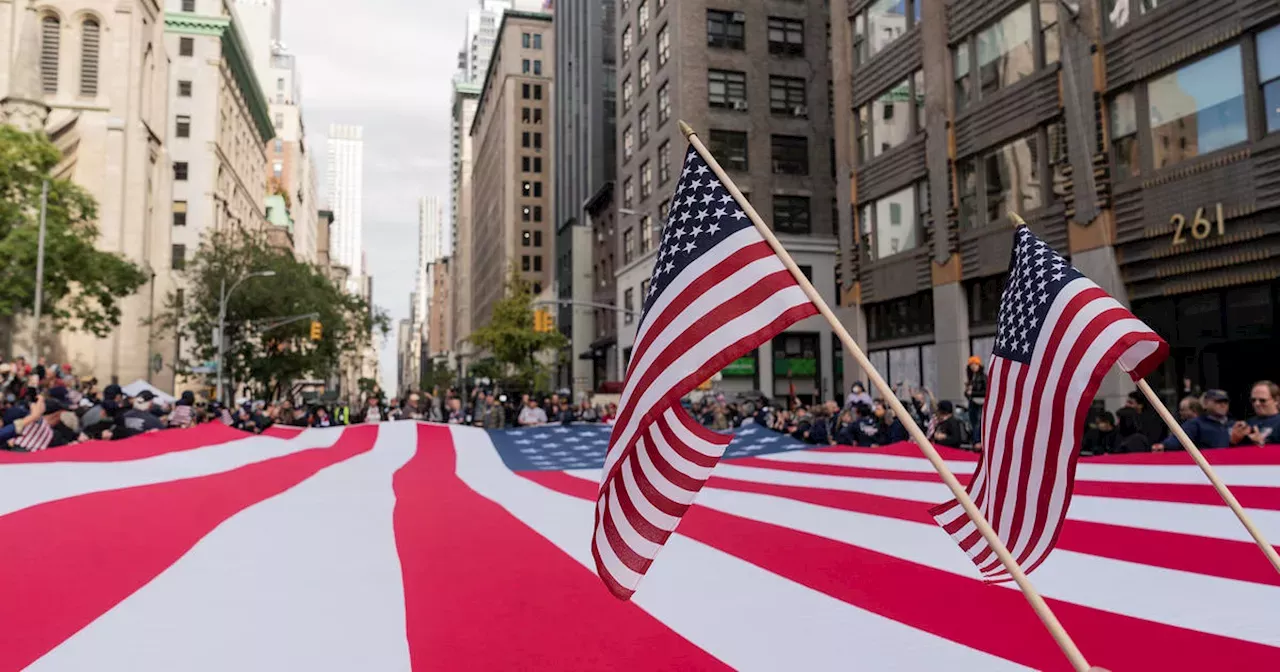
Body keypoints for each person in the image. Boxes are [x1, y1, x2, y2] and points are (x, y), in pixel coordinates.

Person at [1156, 389, 1233, 451]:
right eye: (1218, 401)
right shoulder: (1196, 424)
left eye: (1225, 401)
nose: (1223, 404)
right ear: (1206, 403)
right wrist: (1164, 446)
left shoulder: (1234, 424)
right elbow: (1178, 439)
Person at [1232, 380, 1280, 446]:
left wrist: (1261, 444)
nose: (1257, 404)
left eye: (1262, 400)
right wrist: (1234, 441)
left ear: (1276, 400)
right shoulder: (1248, 423)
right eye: (1253, 400)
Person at [964, 356, 987, 449]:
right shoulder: (971, 377)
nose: (973, 367)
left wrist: (972, 393)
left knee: (978, 421)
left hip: (980, 402)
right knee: (972, 421)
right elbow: (968, 393)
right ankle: (975, 440)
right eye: (971, 365)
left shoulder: (983, 377)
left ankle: (978, 440)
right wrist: (967, 392)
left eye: (975, 364)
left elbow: (986, 391)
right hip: (972, 402)